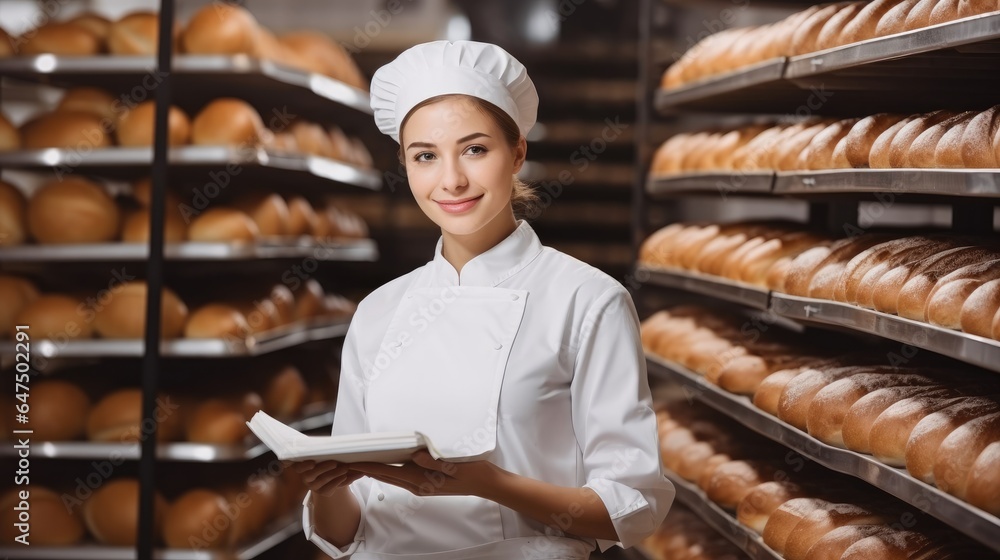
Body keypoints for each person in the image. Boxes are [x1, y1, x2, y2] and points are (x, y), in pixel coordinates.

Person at [294, 40, 674, 559]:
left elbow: (632, 506)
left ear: (518, 151)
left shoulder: (587, 301)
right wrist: (329, 484)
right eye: (425, 156)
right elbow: (348, 534)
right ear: (405, 164)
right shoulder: (378, 311)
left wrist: (486, 482)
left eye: (475, 149)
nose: (450, 180)